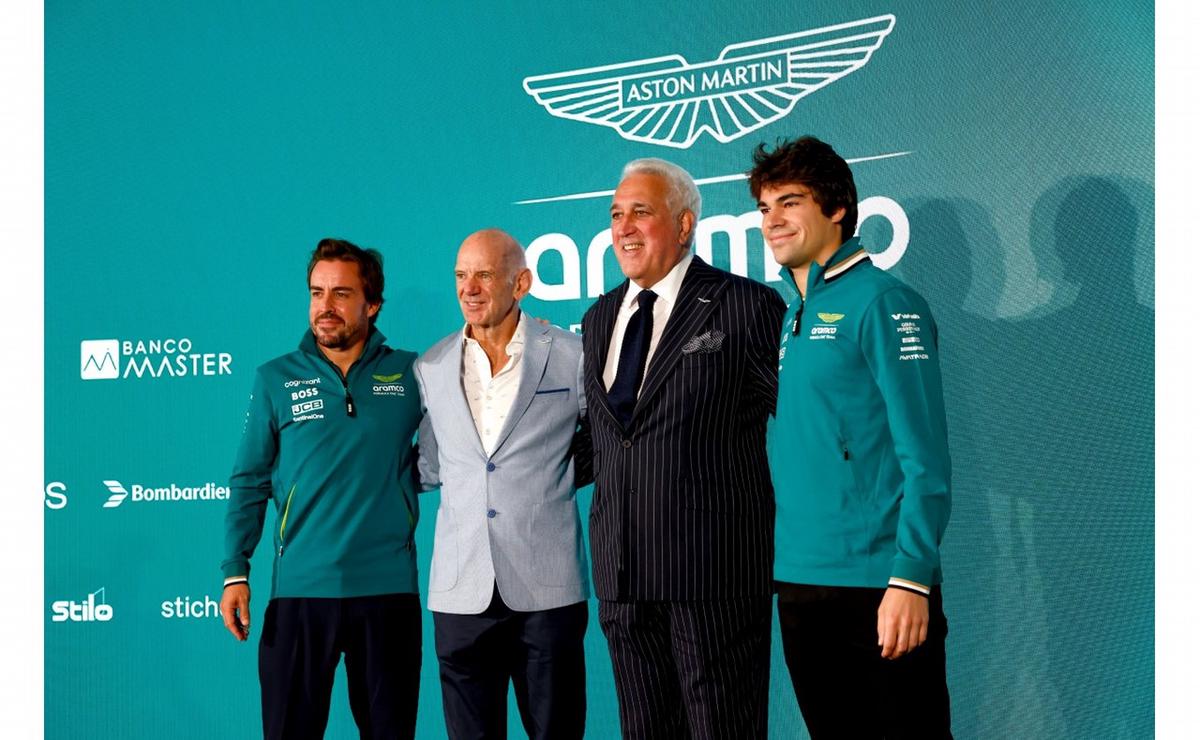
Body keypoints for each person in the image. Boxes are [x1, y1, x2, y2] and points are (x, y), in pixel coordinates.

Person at [749, 135, 953, 739]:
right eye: (763, 209)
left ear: (837, 208)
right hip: (800, 583)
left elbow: (927, 459)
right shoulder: (792, 314)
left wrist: (911, 577)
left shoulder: (887, 303)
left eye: (790, 202)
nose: (773, 221)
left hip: (878, 588)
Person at [580, 158, 785, 738]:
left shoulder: (744, 305)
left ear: (685, 223)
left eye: (641, 212)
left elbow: (799, 426)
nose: (624, 227)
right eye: (617, 214)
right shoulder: (598, 318)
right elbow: (602, 439)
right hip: (622, 577)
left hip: (713, 576)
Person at [219, 238, 422, 740]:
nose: (325, 306)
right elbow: (249, 479)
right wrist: (235, 572)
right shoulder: (275, 378)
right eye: (317, 292)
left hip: (388, 592)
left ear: (371, 305)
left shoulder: (415, 373)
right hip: (301, 593)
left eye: (341, 293)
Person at [413, 228, 591, 740]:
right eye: (461, 276)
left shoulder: (570, 354)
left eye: (484, 275)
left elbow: (603, 442)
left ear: (521, 283)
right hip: (460, 593)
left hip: (547, 587)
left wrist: (551, 476)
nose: (469, 288)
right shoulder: (432, 366)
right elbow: (430, 462)